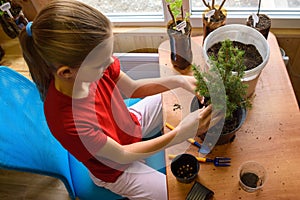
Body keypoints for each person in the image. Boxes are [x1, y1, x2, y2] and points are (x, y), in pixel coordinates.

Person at [18, 0, 213, 199]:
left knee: (175, 96)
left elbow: (134, 89)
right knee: (175, 194)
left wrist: (178, 80)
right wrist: (182, 133)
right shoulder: (67, 122)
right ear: (66, 72)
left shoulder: (90, 66)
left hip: (128, 124)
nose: (110, 62)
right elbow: (122, 154)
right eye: (102, 63)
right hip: (115, 169)